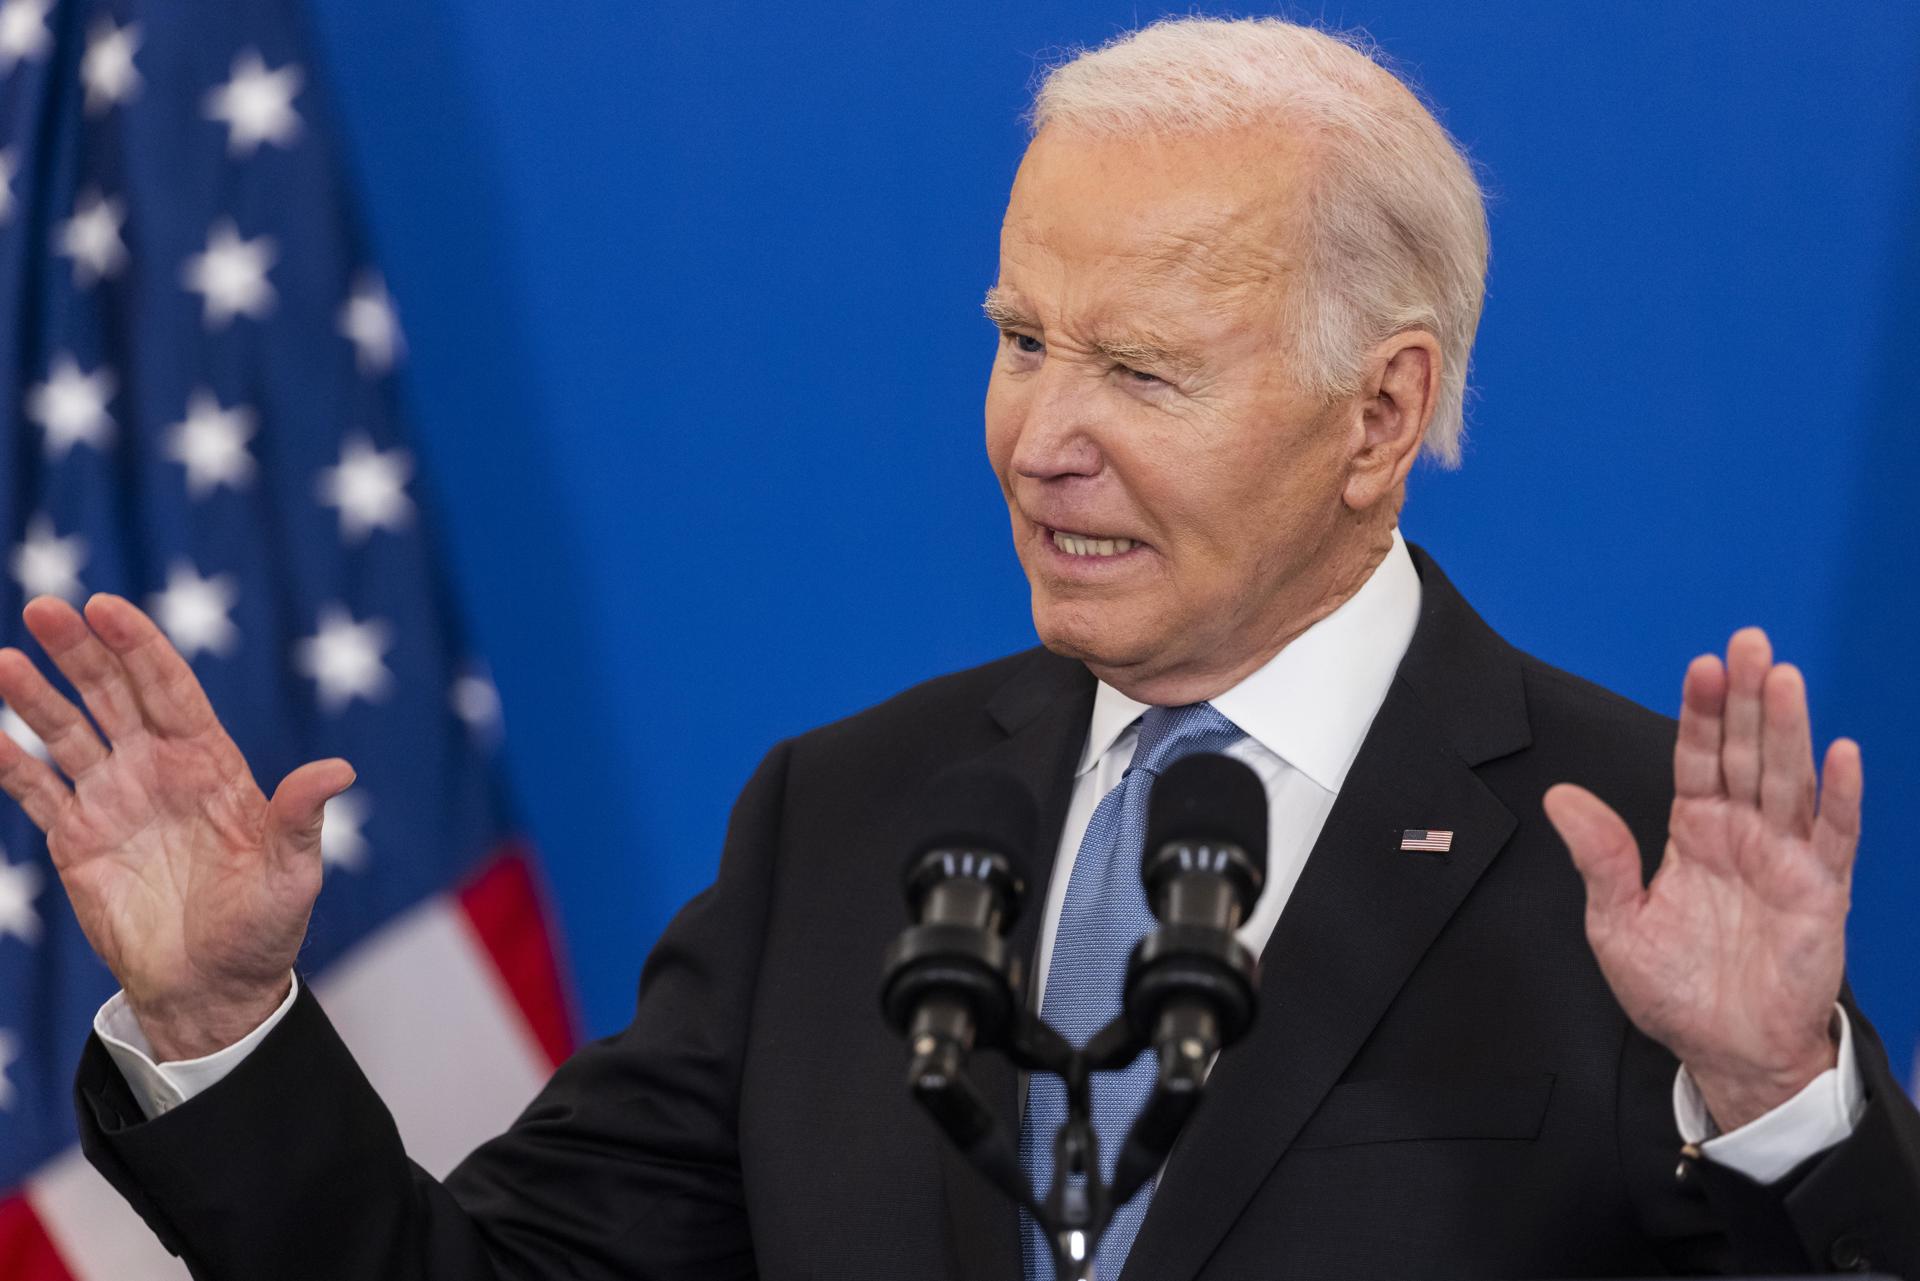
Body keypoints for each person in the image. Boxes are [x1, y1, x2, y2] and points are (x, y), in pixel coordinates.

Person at [3, 16, 1916, 1281]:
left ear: (1377, 416)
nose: (1037, 434)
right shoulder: (843, 821)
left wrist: (1776, 1105)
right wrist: (217, 1022)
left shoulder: (1633, 858)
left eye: (1141, 368)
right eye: (1021, 338)